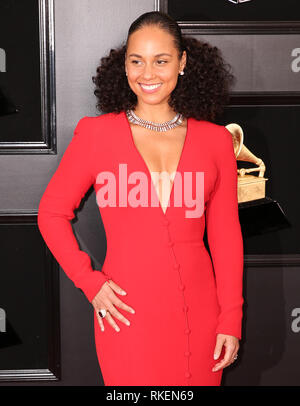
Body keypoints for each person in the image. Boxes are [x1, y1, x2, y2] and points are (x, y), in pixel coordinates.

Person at [37, 11, 244, 386]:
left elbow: (226, 238)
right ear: (124, 65)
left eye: (160, 60)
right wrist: (90, 282)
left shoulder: (215, 142)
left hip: (201, 319)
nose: (147, 74)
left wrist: (230, 319)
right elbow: (51, 213)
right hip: (127, 317)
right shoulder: (96, 135)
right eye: (137, 61)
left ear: (181, 63)